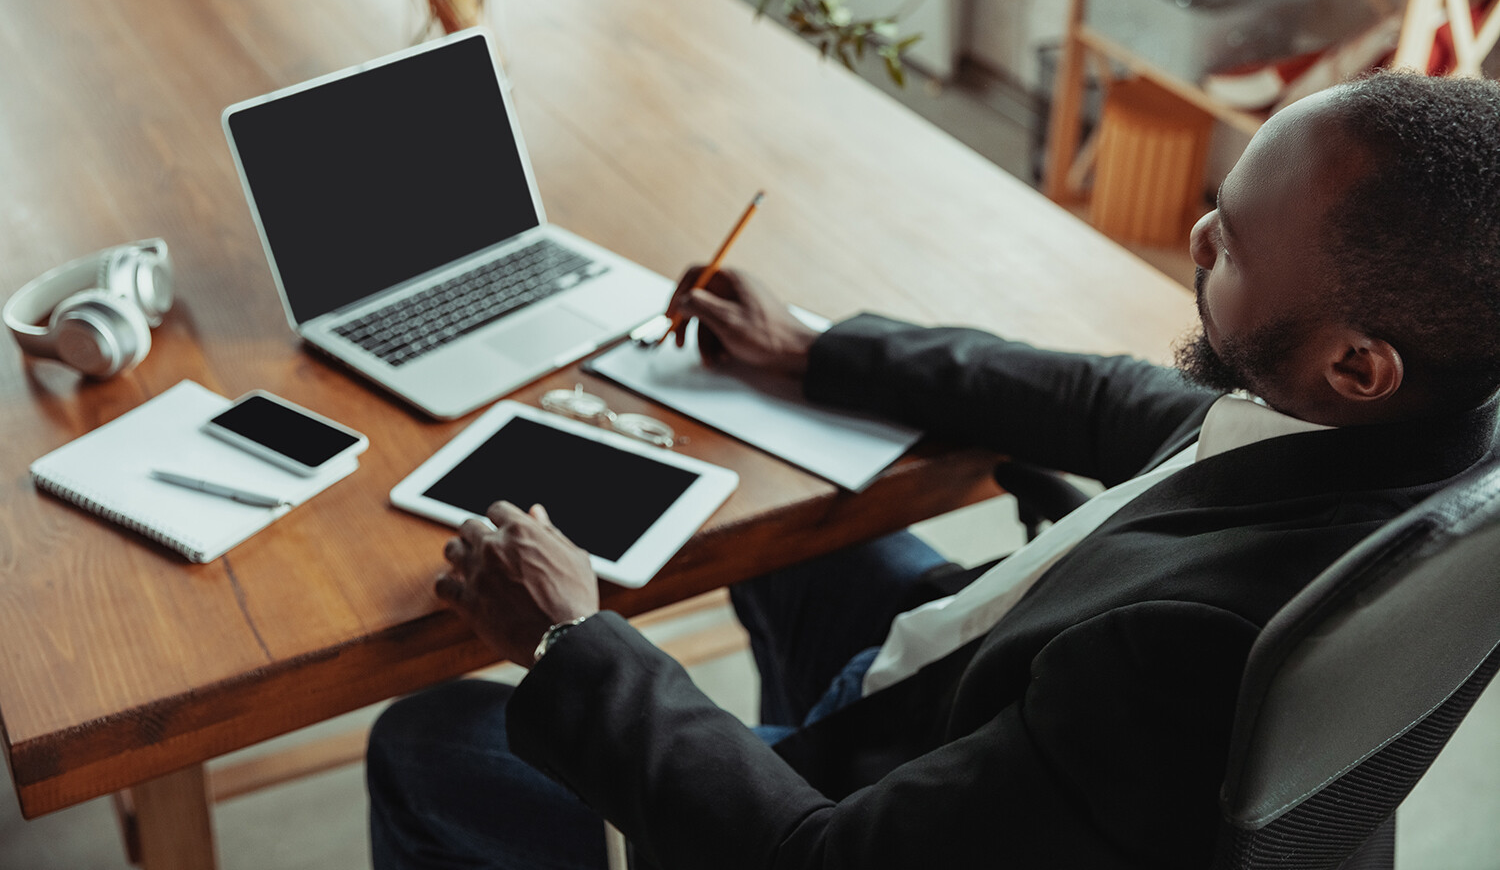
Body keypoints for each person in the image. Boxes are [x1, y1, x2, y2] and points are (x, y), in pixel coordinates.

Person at [365, 70, 1500, 870]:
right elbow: (1108, 398)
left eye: (1231, 243)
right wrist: (815, 352)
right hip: (964, 700)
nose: (1197, 234)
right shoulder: (1423, 432)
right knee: (802, 515)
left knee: (428, 742)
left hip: (877, 804)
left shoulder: (1178, 663)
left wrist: (574, 641)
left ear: (1358, 362)